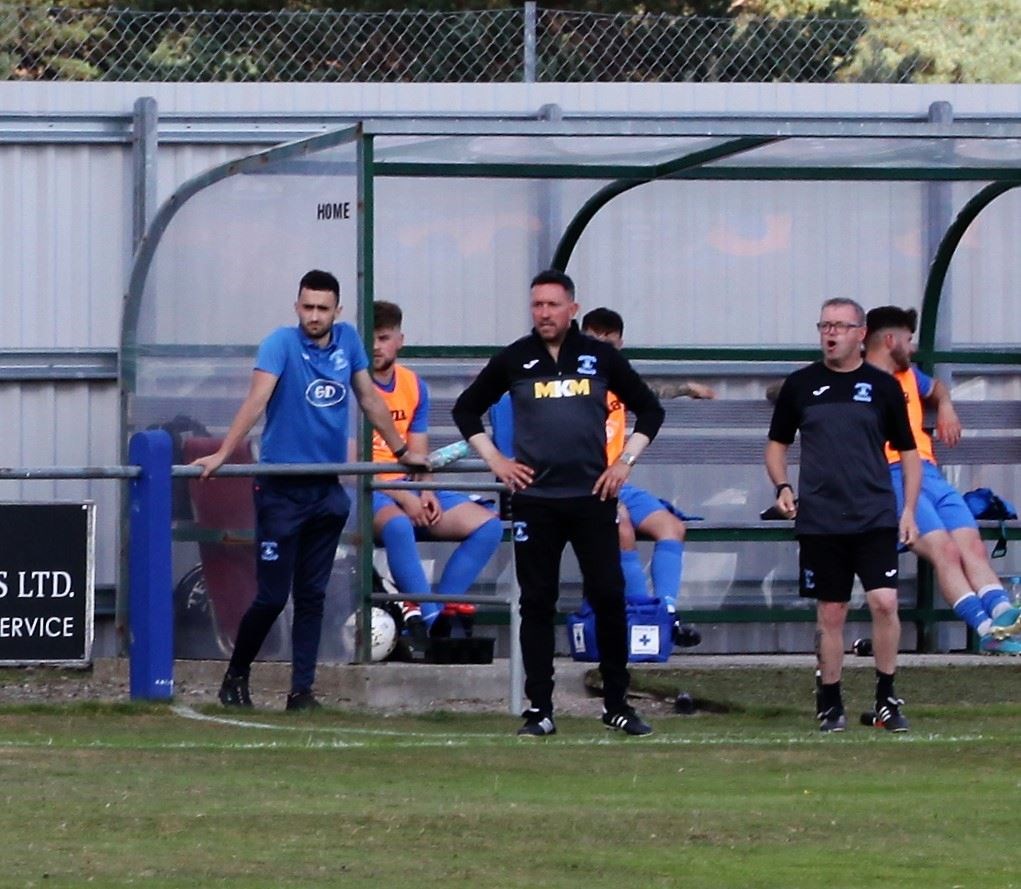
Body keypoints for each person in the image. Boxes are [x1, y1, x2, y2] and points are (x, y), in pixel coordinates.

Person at [193, 270, 427, 710]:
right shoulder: (279, 343)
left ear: (337, 311)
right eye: (307, 307)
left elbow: (370, 399)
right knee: (272, 596)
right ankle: (235, 675)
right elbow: (256, 401)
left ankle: (301, 691)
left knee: (313, 596)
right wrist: (225, 452)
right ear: (296, 306)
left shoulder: (349, 343)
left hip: (326, 489)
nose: (314, 316)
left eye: (322, 309)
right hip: (281, 488)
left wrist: (400, 450)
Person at [452, 269, 665, 737]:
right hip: (536, 501)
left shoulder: (599, 357)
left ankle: (616, 704)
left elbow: (651, 409)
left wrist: (625, 461)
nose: (544, 313)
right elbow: (465, 409)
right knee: (537, 602)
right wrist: (497, 461)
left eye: (552, 305)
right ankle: (541, 708)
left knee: (609, 596)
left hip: (592, 496)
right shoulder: (515, 358)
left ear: (572, 307)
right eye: (537, 305)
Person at [766, 297, 921, 733]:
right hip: (821, 517)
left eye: (839, 326)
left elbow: (909, 453)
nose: (830, 334)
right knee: (831, 612)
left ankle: (886, 698)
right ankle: (830, 701)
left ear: (860, 333)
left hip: (873, 512)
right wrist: (782, 487)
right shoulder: (801, 385)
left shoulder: (882, 386)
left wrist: (907, 509)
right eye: (824, 325)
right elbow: (776, 446)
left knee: (883, 601)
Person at [863, 305, 1021, 654]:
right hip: (891, 476)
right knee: (945, 551)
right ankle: (991, 632)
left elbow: (934, 388)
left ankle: (1005, 620)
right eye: (908, 340)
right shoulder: (856, 379)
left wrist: (946, 405)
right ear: (890, 340)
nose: (914, 347)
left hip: (928, 471)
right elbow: (791, 390)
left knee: (973, 547)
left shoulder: (908, 375)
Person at [580, 307, 713, 646]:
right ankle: (640, 614)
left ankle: (666, 614)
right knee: (621, 528)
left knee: (671, 527)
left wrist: (686, 387)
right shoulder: (573, 381)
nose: (602, 349)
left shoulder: (621, 380)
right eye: (593, 341)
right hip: (583, 485)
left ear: (620, 344)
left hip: (619, 482)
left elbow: (650, 395)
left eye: (609, 343)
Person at [369, 301, 503, 639]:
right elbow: (351, 466)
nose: (375, 347)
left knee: (488, 527)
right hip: (366, 489)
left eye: (383, 338)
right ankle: (430, 625)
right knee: (399, 526)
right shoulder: (353, 386)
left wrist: (425, 491)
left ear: (400, 339)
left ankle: (442, 614)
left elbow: (419, 451)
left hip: (407, 484)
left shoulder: (414, 385)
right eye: (368, 339)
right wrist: (405, 497)